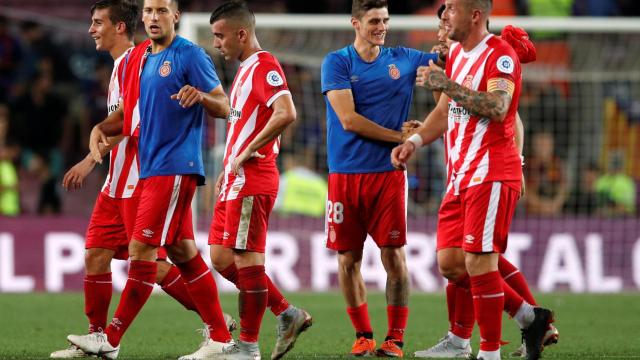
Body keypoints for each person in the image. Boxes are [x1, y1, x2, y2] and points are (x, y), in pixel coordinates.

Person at [51, 1, 235, 358]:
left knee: (145, 256)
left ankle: (110, 339)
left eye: (161, 11)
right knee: (177, 252)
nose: (153, 17)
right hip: (144, 173)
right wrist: (99, 130)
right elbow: (128, 117)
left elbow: (224, 106)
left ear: (175, 16)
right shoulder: (141, 61)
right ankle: (220, 333)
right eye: (149, 10)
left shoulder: (188, 55)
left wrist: (200, 96)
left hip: (165, 170)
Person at [391, 1, 554, 359]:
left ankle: (488, 352)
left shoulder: (500, 55)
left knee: (481, 262)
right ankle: (530, 317)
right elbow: (446, 111)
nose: (444, 14)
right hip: (460, 176)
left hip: (490, 172)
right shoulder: (459, 55)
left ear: (475, 14)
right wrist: (415, 142)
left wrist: (445, 83)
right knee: (451, 263)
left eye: (450, 8)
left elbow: (499, 108)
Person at [321, 0, 440, 357]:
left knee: (394, 256)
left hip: (388, 175)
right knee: (347, 259)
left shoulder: (403, 58)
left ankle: (395, 338)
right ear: (355, 23)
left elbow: (447, 68)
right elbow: (349, 120)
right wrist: (401, 137)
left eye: (385, 20)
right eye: (374, 20)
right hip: (344, 175)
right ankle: (363, 334)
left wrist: (445, 49)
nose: (381, 27)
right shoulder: (337, 61)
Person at [202, 2, 311, 359]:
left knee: (248, 262)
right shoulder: (245, 70)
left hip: (254, 178)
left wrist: (248, 151)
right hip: (236, 178)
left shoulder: (264, 66)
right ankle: (286, 313)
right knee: (220, 257)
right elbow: (242, 125)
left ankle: (247, 347)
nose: (217, 43)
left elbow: (287, 112)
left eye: (220, 36)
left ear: (241, 34)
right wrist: (230, 163)